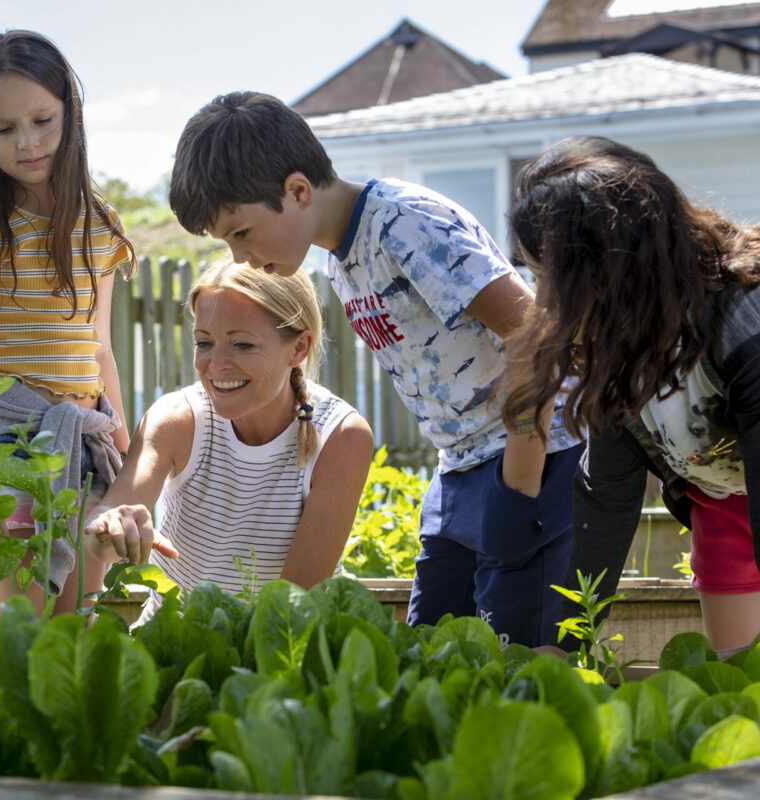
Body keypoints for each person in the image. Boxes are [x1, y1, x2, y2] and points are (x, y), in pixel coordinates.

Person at [166, 91, 585, 648]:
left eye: (241, 232)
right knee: (430, 653)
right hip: (461, 469)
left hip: (539, 459)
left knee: (528, 663)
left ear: (297, 190)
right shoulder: (341, 259)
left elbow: (535, 332)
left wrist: (522, 473)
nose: (239, 258)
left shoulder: (404, 224)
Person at [502, 135, 760, 658]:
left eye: (547, 277)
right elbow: (607, 497)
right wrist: (565, 643)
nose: (543, 299)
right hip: (724, 505)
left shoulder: (743, 324)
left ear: (607, 270)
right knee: (742, 687)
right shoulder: (620, 346)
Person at [0, 30, 135, 618]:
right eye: (5, 129)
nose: (29, 142)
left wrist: (127, 466)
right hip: (9, 448)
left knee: (76, 629)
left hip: (85, 445)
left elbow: (101, 352)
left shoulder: (100, 223)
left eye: (43, 119)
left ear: (71, 109)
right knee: (16, 638)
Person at [84, 261, 372, 603]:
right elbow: (102, 539)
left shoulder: (342, 436)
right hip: (174, 644)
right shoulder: (178, 419)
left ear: (299, 347)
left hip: (281, 645)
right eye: (204, 343)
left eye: (242, 345)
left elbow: (294, 605)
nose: (217, 365)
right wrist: (109, 529)